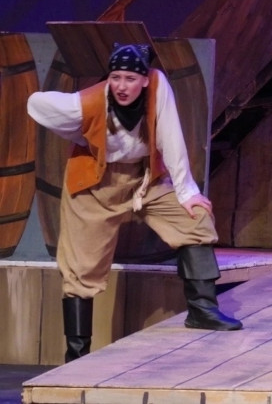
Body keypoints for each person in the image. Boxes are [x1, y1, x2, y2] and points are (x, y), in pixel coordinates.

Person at [27, 43, 242, 363]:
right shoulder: (91, 101)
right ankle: (77, 353)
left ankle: (202, 311)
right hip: (94, 184)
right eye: (115, 77)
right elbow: (36, 104)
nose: (122, 86)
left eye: (130, 78)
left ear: (143, 79)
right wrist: (80, 131)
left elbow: (171, 138)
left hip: (144, 180)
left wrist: (186, 192)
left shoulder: (157, 87)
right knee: (80, 268)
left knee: (195, 218)